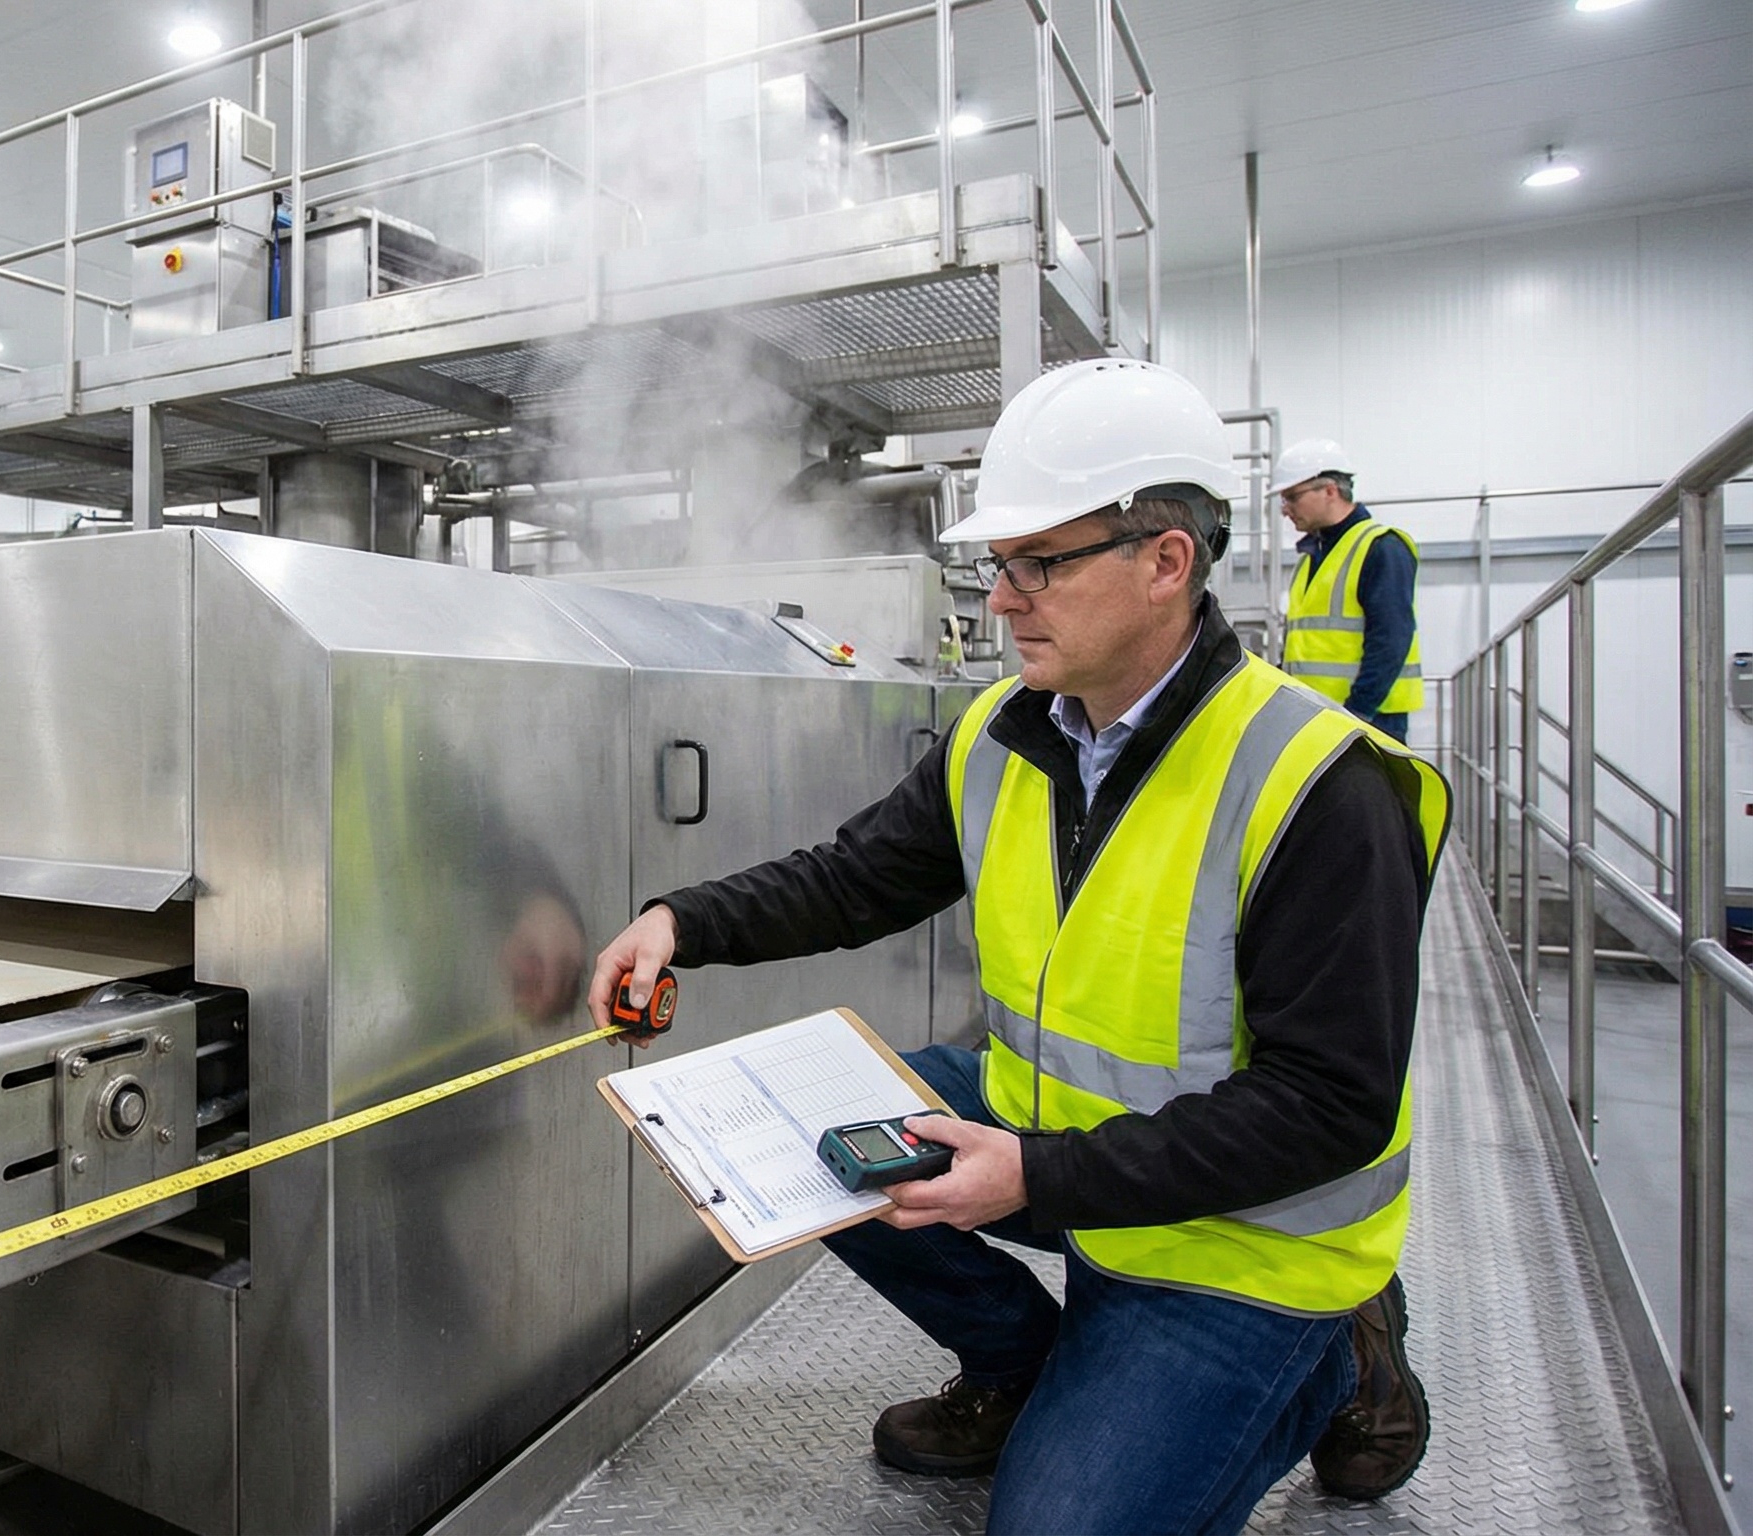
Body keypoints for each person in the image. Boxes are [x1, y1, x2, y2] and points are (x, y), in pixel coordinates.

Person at [585, 360, 1447, 1533]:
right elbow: (857, 878)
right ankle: (1026, 1367)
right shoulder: (1007, 731)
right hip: (1057, 1141)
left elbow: (1327, 1105)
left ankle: (1335, 1359)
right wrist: (681, 920)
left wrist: (1034, 1176)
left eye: (1039, 563)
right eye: (995, 566)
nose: (1001, 600)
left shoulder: (1323, 787)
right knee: (800, 1133)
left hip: (1236, 1238)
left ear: (1165, 562)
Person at [1275, 440, 1422, 741]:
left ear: (1330, 490)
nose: (1285, 510)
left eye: (1292, 497)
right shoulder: (1310, 558)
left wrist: (1357, 715)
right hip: (1317, 718)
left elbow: (1391, 640)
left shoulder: (1380, 547)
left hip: (1367, 720)